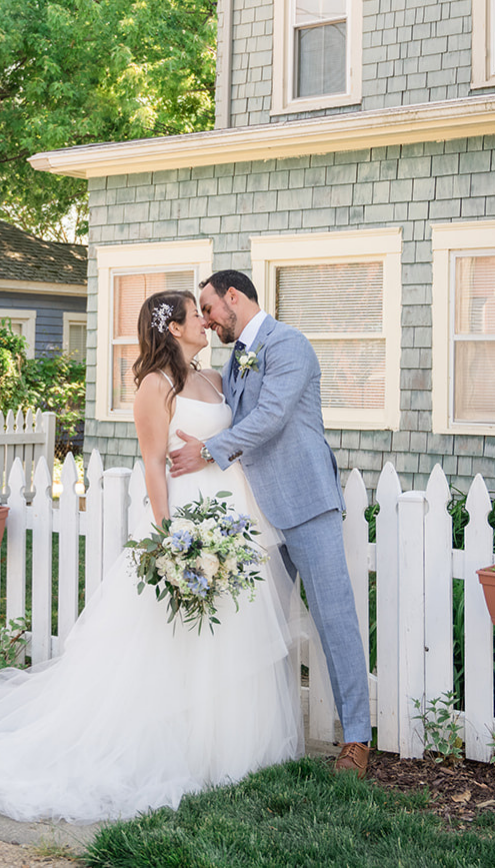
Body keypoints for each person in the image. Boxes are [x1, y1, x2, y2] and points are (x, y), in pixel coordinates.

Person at [0, 289, 302, 824]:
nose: (205, 323)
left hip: (230, 520)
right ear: (172, 328)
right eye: (194, 316)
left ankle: (230, 748)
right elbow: (154, 465)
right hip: (187, 520)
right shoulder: (154, 387)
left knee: (232, 631)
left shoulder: (212, 378)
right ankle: (177, 744)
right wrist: (169, 538)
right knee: (177, 638)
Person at [169, 270, 372, 777]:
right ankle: (275, 734)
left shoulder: (289, 345)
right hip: (255, 513)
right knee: (264, 626)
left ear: (233, 297)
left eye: (210, 308)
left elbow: (273, 415)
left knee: (334, 617)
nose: (209, 320)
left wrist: (209, 452)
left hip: (305, 502)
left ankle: (357, 741)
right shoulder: (235, 358)